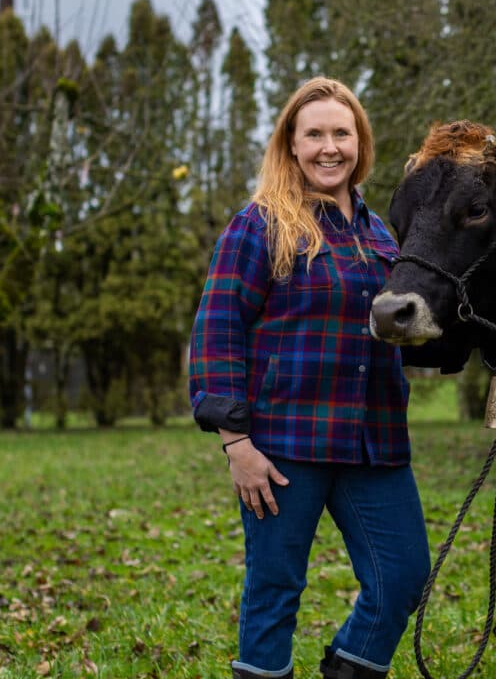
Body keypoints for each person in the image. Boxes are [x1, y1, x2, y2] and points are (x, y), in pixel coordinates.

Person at [189, 77, 429, 679]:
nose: (329, 147)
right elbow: (218, 328)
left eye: (341, 133)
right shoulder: (260, 225)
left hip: (373, 441)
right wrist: (236, 444)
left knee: (402, 573)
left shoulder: (381, 236)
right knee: (274, 590)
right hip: (284, 444)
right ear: (291, 146)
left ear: (360, 143)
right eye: (314, 134)